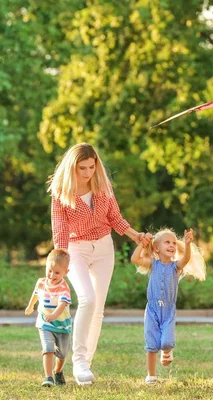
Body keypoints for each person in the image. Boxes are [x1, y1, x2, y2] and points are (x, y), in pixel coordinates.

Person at [48, 143, 145, 385]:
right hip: (75, 249)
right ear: (73, 166)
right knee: (87, 299)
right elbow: (59, 229)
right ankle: (78, 361)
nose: (88, 172)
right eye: (83, 168)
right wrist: (59, 262)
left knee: (98, 309)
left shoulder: (102, 184)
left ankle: (85, 366)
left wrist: (136, 236)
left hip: (103, 248)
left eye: (92, 166)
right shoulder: (61, 191)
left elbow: (115, 218)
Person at [131, 228, 206, 384]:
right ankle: (151, 376)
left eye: (173, 242)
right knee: (151, 345)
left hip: (168, 311)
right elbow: (134, 259)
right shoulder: (153, 264)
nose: (171, 245)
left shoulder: (176, 266)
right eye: (167, 242)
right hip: (152, 310)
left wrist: (187, 244)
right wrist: (143, 245)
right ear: (157, 248)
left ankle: (167, 351)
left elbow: (185, 260)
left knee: (166, 342)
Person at [25, 249, 73, 387]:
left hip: (62, 325)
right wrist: (30, 306)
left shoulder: (64, 288)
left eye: (57, 272)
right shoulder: (41, 282)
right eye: (49, 270)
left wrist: (54, 315)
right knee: (48, 348)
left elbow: (62, 305)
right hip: (45, 323)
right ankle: (48, 377)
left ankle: (58, 371)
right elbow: (36, 294)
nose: (52, 275)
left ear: (65, 273)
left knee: (62, 354)